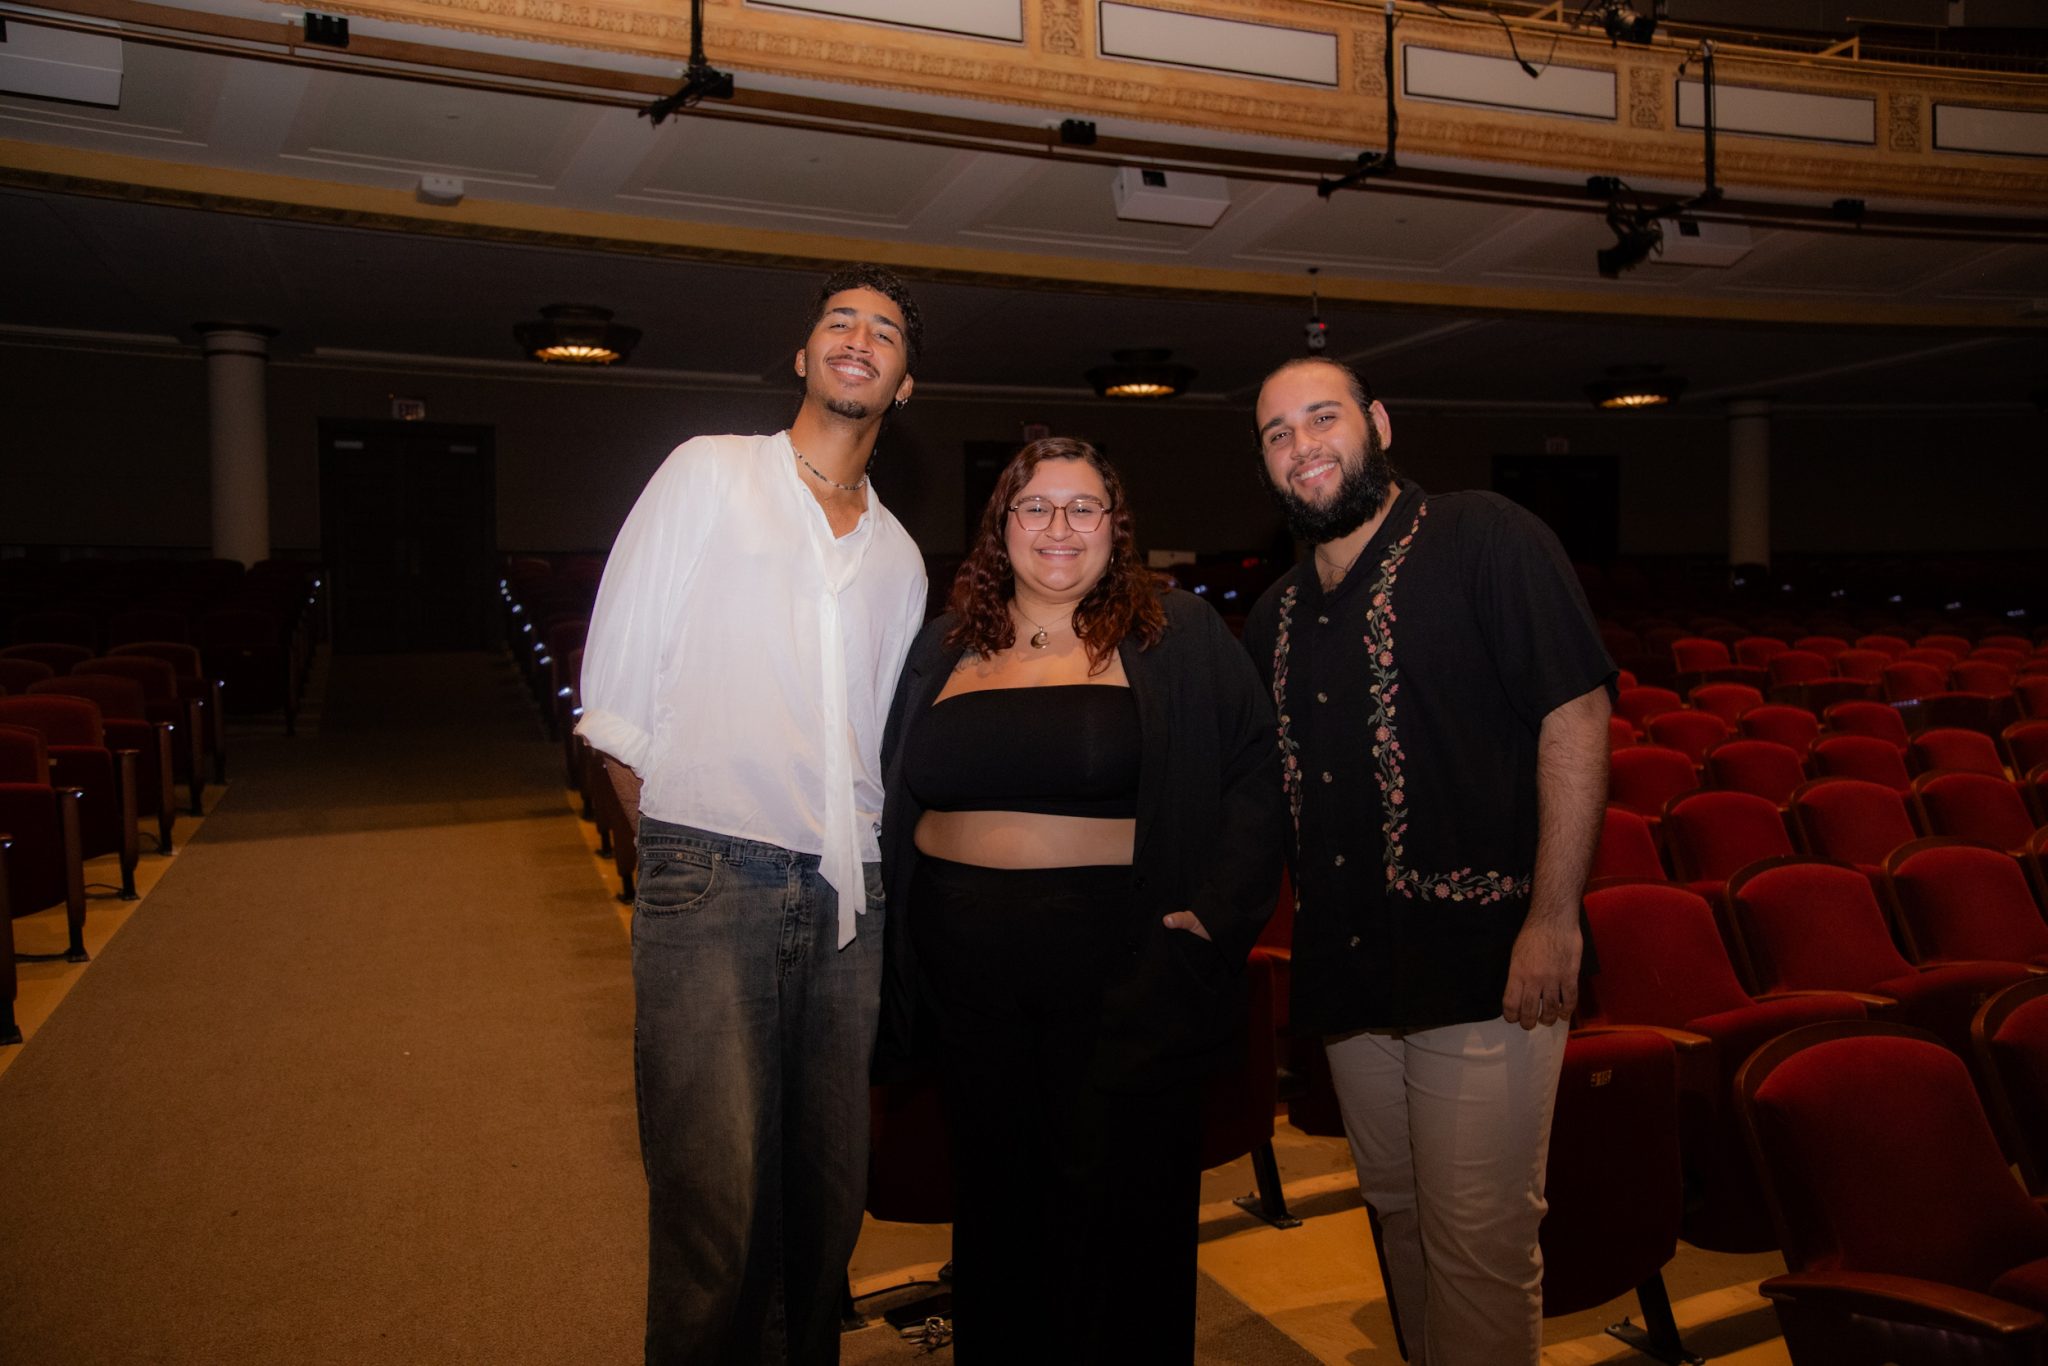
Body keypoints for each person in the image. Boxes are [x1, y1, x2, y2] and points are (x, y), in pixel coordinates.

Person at [576, 264, 929, 1365]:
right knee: (714, 1213)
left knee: (827, 1209)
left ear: (904, 384)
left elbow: (871, 752)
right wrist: (679, 860)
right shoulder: (707, 474)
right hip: (708, 876)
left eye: (883, 330)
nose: (859, 337)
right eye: (840, 321)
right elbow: (617, 703)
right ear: (803, 357)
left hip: (843, 901)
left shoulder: (902, 558)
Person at [878, 437, 1284, 1365]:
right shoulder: (945, 644)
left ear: (1115, 527)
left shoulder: (1173, 634)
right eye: (1036, 508)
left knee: (1116, 1210)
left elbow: (1257, 773)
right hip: (965, 979)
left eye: (1083, 508)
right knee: (994, 1202)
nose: (1058, 528)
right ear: (1002, 527)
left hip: (1119, 971)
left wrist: (1216, 914)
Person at [1242, 357, 1614, 1366]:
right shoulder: (1271, 616)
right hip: (1350, 974)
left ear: (1377, 423)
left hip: (1482, 962)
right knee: (1397, 1215)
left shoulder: (1483, 535)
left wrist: (1552, 916)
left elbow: (1574, 713)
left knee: (1478, 1243)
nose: (1300, 444)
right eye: (1276, 432)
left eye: (1321, 417)